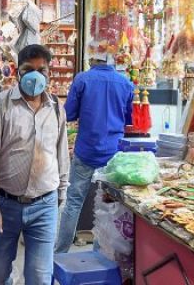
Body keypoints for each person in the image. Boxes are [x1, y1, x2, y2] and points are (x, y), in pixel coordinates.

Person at [0, 44, 69, 285]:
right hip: (5, 204)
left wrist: (62, 193)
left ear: (49, 73)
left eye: (42, 70)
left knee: (39, 276)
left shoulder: (57, 108)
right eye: (29, 69)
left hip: (45, 204)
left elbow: (61, 152)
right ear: (18, 71)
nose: (35, 75)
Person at [55, 53, 134, 253]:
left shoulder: (83, 78)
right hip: (112, 153)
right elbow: (127, 119)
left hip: (86, 149)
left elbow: (69, 114)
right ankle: (99, 253)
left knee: (73, 201)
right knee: (107, 205)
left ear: (93, 60)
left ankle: (61, 251)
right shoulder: (125, 83)